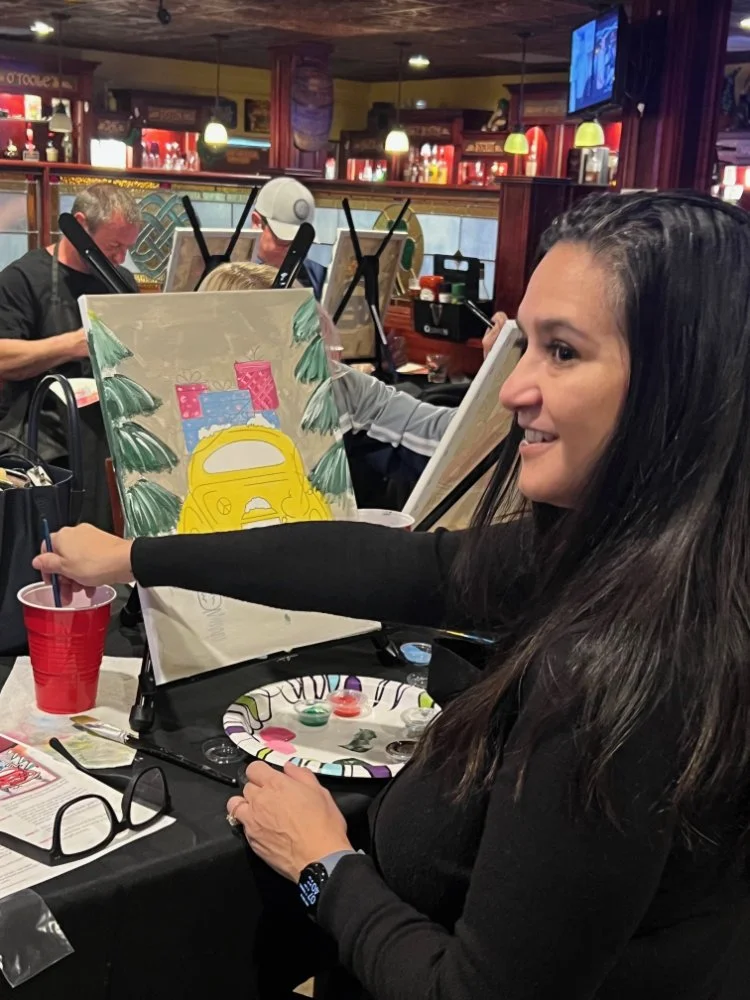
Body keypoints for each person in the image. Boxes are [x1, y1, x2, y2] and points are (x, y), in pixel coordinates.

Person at [42, 190, 750, 1000]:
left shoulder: (615, 678)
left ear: (679, 388)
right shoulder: (651, 568)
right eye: (525, 345)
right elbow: (400, 568)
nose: (515, 389)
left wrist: (323, 866)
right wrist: (138, 554)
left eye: (562, 352)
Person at [198, 259, 508, 505]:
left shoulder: (337, 386)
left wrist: (501, 371)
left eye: (298, 341)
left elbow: (447, 435)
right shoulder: (189, 403)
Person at [0, 183, 141, 528]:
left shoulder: (120, 282)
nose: (121, 258)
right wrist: (74, 344)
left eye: (127, 248)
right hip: (44, 446)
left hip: (107, 444)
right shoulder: (22, 279)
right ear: (79, 225)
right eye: (113, 246)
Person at [252, 177, 327, 300]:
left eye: (301, 241)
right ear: (257, 223)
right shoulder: (236, 280)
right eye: (284, 240)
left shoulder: (317, 276)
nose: (293, 251)